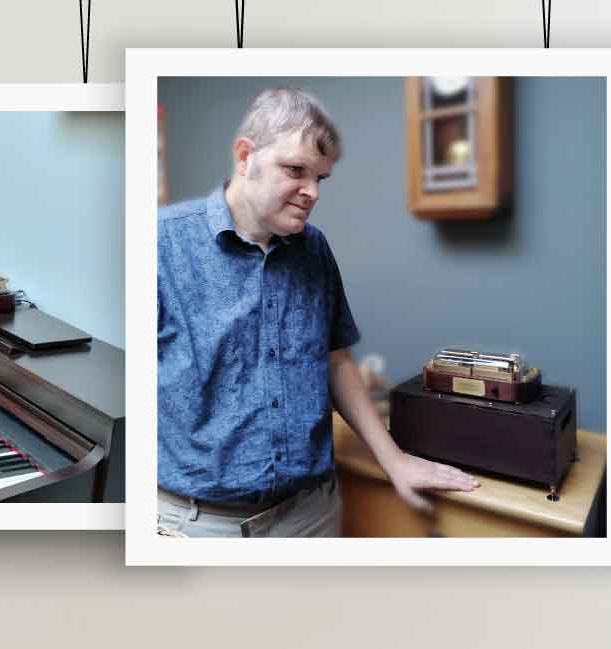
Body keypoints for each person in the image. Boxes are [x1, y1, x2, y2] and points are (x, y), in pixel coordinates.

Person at [156, 88, 481, 537]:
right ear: (246, 156)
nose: (311, 192)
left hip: (311, 517)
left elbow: (335, 360)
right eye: (295, 171)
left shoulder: (315, 248)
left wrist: (395, 460)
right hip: (198, 527)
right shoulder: (160, 244)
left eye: (320, 178)